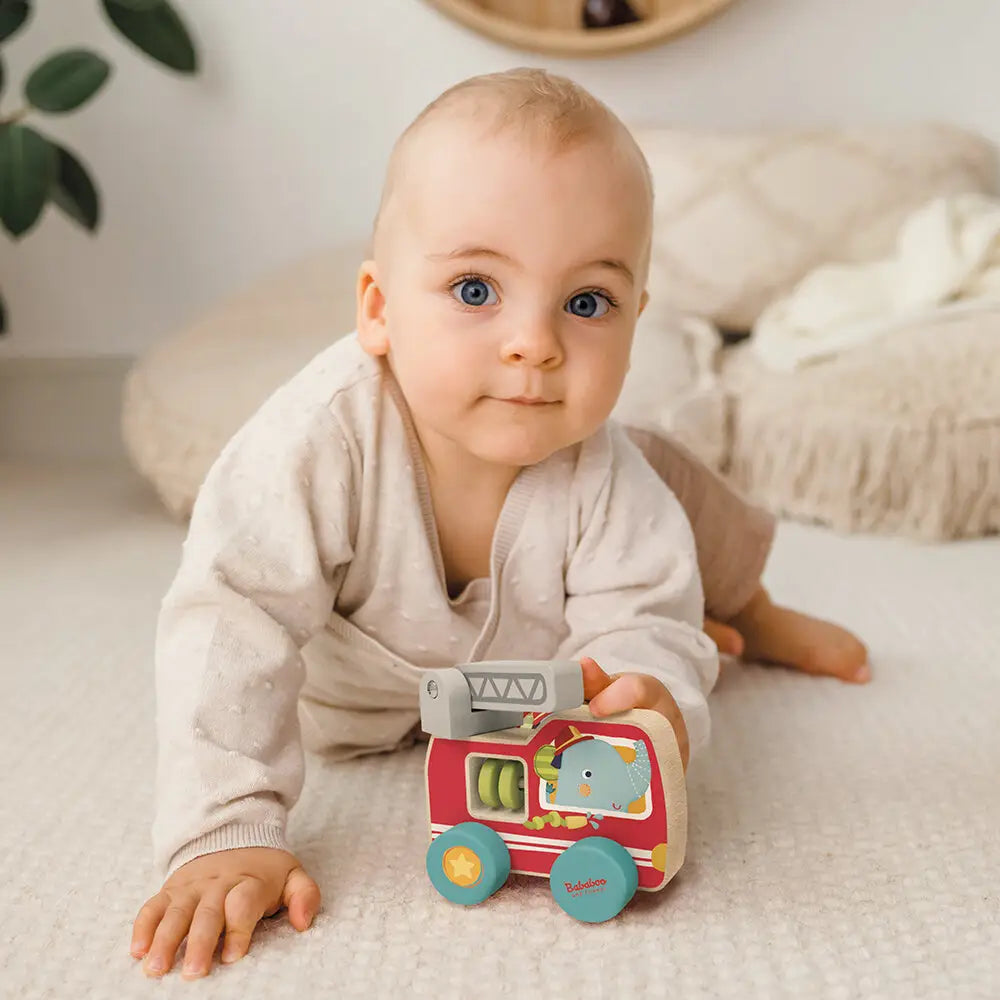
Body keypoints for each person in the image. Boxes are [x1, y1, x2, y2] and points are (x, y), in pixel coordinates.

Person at [131, 68, 867, 981]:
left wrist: (651, 695)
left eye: (587, 303)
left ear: (635, 320)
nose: (536, 344)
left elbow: (642, 618)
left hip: (542, 697)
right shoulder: (317, 441)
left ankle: (749, 605)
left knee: (669, 476)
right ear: (379, 309)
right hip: (355, 710)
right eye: (476, 290)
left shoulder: (607, 471)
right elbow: (228, 617)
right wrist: (225, 829)